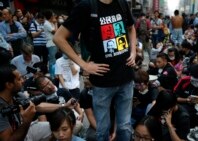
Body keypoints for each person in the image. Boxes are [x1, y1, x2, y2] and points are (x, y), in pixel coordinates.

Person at [53, 0, 137, 141]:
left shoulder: (122, 3)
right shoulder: (86, 6)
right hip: (103, 83)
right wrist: (83, 65)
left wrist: (133, 52)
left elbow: (131, 28)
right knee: (102, 130)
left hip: (126, 78)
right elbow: (58, 38)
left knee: (125, 127)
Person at [0, 64, 51, 141]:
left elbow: (37, 106)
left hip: (22, 129)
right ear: (9, 85)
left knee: (55, 127)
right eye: (19, 79)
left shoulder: (17, 95)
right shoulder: (1, 109)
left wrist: (64, 105)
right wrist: (27, 121)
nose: (23, 81)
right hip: (18, 134)